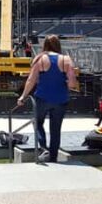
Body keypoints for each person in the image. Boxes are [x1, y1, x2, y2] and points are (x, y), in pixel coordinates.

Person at [18, 34, 79, 163]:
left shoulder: (40, 59)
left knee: (37, 122)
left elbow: (31, 80)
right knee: (56, 129)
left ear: (45, 45)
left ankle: (42, 147)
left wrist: (23, 96)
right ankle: (53, 157)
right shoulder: (66, 59)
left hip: (42, 97)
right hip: (61, 99)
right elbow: (72, 84)